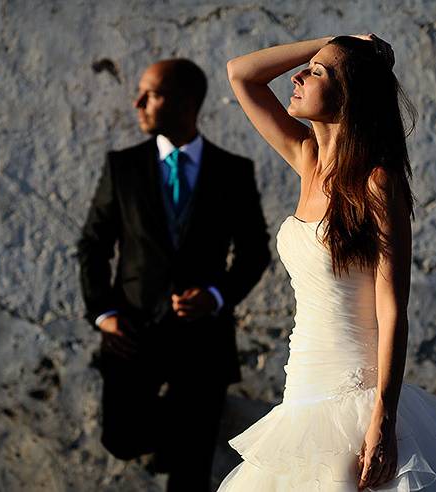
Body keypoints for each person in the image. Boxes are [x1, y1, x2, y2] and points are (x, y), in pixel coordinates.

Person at [219, 34, 436, 491]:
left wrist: (383, 419)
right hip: (300, 387)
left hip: (355, 396)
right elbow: (241, 72)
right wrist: (333, 43)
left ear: (348, 95)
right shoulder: (307, 159)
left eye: (317, 72)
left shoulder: (377, 182)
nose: (297, 76)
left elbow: (392, 309)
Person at [77, 58, 271, 491]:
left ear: (186, 104)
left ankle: (190, 443)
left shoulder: (232, 170)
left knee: (190, 476)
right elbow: (92, 245)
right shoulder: (122, 168)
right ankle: (183, 438)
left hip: (202, 345)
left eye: (152, 94)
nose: (137, 102)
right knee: (121, 439)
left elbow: (255, 252)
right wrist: (103, 313)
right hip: (131, 337)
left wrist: (217, 296)